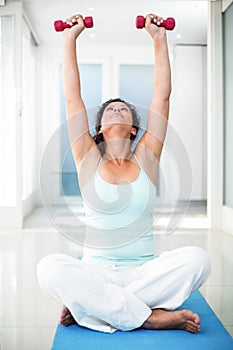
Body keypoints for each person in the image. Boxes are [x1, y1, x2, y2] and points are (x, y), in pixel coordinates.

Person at [37, 13, 210, 334]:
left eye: (123, 108)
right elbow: (72, 98)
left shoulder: (147, 157)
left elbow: (162, 97)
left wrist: (159, 39)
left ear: (133, 129)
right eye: (109, 109)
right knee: (47, 268)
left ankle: (94, 307)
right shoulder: (87, 157)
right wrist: (68, 40)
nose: (117, 107)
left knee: (199, 260)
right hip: (96, 271)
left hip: (143, 272)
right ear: (99, 129)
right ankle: (149, 316)